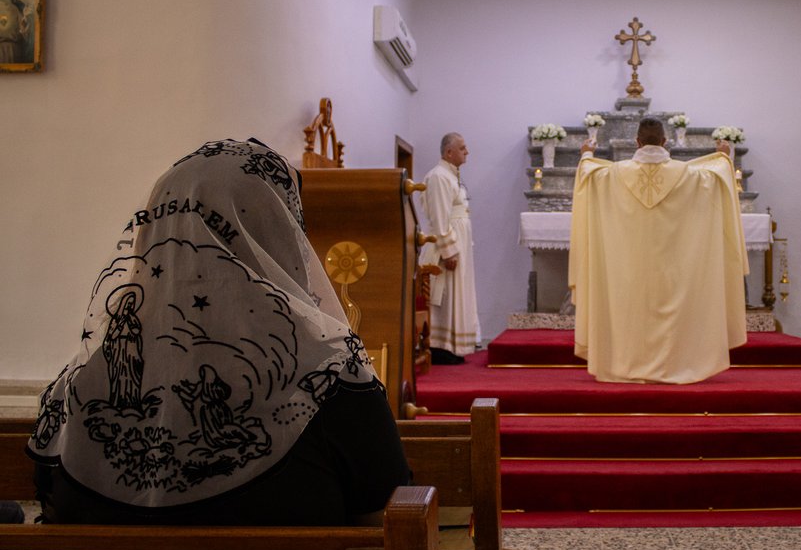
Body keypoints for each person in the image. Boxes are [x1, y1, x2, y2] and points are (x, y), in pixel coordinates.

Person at [28, 139, 410, 526]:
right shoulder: (333, 381)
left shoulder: (74, 390)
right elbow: (383, 522)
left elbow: (53, 509)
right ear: (279, 235)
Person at [569, 117, 748, 384]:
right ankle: (676, 364)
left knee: (630, 308)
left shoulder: (610, 176)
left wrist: (586, 155)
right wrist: (724, 157)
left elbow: (589, 173)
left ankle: (625, 364)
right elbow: (716, 175)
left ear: (637, 142)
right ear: (666, 141)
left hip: (628, 275)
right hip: (674, 274)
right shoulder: (693, 176)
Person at [419, 132, 479, 364]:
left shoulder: (451, 176)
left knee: (456, 294)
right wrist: (449, 250)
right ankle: (440, 347)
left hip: (458, 243)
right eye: (463, 148)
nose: (467, 152)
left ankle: (452, 346)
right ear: (448, 152)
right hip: (447, 248)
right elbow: (439, 217)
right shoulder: (439, 177)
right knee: (445, 295)